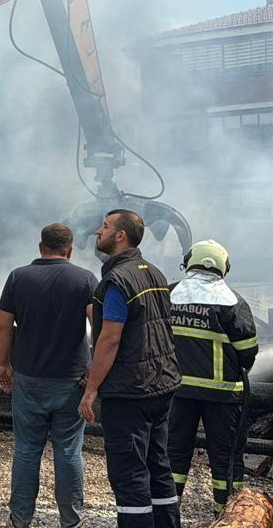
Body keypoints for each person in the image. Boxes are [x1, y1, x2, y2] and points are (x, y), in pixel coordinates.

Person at [79, 209, 181, 528]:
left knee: (130, 473)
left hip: (130, 391)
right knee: (158, 465)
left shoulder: (116, 281)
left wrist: (91, 389)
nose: (98, 231)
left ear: (120, 235)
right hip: (162, 384)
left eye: (106, 226)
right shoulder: (154, 273)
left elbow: (109, 339)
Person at [0, 223, 97, 528]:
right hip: (73, 381)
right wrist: (95, 373)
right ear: (69, 250)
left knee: (26, 450)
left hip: (29, 379)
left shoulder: (18, 277)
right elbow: (101, 328)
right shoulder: (85, 280)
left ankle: (20, 519)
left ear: (41, 247)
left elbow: (2, 326)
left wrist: (3, 364)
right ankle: (71, 520)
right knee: (68, 451)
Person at [165, 240, 258, 514]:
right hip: (223, 395)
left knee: (174, 452)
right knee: (226, 457)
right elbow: (248, 352)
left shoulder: (169, 295)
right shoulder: (232, 302)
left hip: (177, 391)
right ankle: (226, 512)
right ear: (223, 268)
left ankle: (168, 509)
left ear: (188, 263)